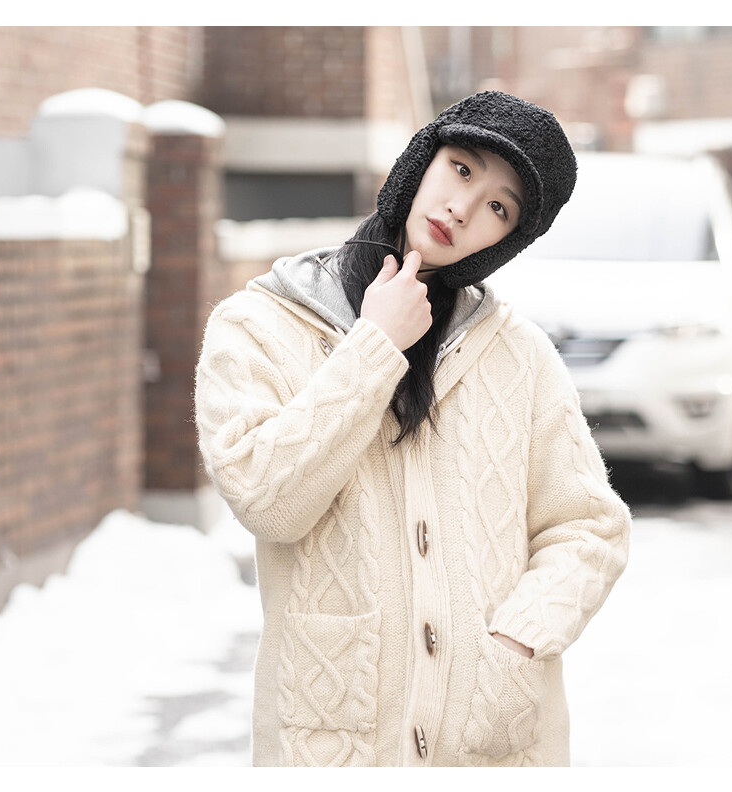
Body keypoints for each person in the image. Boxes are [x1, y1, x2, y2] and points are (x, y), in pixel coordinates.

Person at [194, 90, 631, 767]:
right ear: (421, 160)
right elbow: (267, 502)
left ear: (509, 240)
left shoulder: (520, 355)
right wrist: (374, 346)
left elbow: (589, 528)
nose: (462, 208)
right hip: (330, 745)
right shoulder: (258, 326)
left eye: (499, 207)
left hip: (494, 748)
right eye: (462, 168)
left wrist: (517, 638)